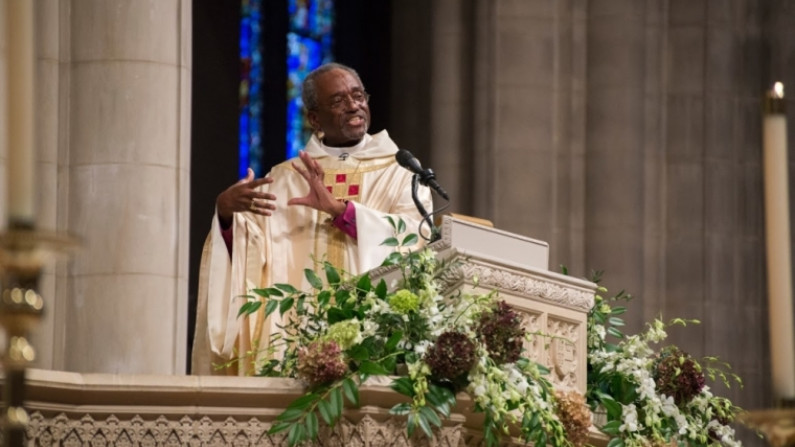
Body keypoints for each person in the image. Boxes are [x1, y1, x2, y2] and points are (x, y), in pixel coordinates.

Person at [191, 62, 433, 375]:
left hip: (375, 342)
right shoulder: (283, 179)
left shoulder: (401, 172)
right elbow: (249, 257)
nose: (353, 105)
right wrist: (226, 214)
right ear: (314, 118)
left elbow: (418, 239)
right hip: (294, 343)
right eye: (338, 101)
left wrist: (342, 213)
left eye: (358, 96)